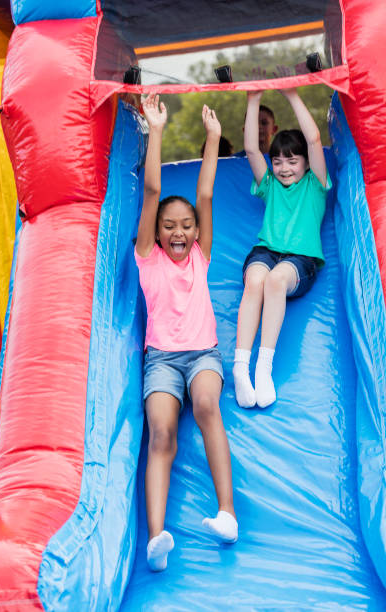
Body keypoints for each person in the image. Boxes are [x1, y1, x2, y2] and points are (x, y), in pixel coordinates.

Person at [135, 93, 238, 572]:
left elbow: (206, 196)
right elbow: (153, 192)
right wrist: (155, 130)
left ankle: (227, 514)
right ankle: (157, 540)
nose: (178, 232)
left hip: (202, 355)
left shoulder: (201, 253)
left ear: (197, 232)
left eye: (186, 227)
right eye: (169, 227)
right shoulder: (147, 257)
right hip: (160, 358)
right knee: (161, 434)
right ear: (156, 233)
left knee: (206, 406)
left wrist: (213, 139)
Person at [233, 88, 331, 409]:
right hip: (266, 251)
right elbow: (250, 148)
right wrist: (252, 100)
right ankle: (239, 367)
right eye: (277, 161)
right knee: (256, 280)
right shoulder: (270, 185)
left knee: (275, 281)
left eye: (292, 160)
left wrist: (291, 94)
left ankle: (263, 367)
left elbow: (315, 139)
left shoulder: (315, 183)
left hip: (299, 261)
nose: (284, 167)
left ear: (305, 162)